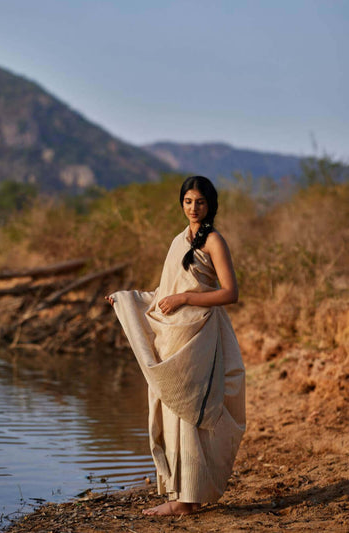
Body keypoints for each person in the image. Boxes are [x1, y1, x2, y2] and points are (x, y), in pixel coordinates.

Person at [106, 175, 245, 516]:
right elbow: (163, 293)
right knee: (173, 411)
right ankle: (182, 494)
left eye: (199, 202)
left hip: (200, 337)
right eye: (188, 201)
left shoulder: (213, 241)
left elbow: (230, 293)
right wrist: (126, 300)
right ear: (181, 203)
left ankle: (187, 499)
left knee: (193, 413)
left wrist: (186, 296)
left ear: (210, 204)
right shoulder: (177, 242)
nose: (193, 207)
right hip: (174, 339)